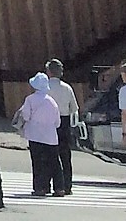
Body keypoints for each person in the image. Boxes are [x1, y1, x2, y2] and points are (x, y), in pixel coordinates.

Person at [17, 73, 65, 198]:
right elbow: (57, 122)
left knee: (38, 162)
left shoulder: (30, 99)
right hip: (50, 137)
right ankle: (59, 188)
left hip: (35, 134)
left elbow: (26, 116)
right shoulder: (52, 101)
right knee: (54, 162)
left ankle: (40, 187)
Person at [44, 58, 80, 197]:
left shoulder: (45, 87)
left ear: (48, 71)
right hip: (63, 121)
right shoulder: (67, 88)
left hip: (48, 123)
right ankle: (67, 185)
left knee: (48, 155)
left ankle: (47, 185)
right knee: (65, 155)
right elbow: (74, 108)